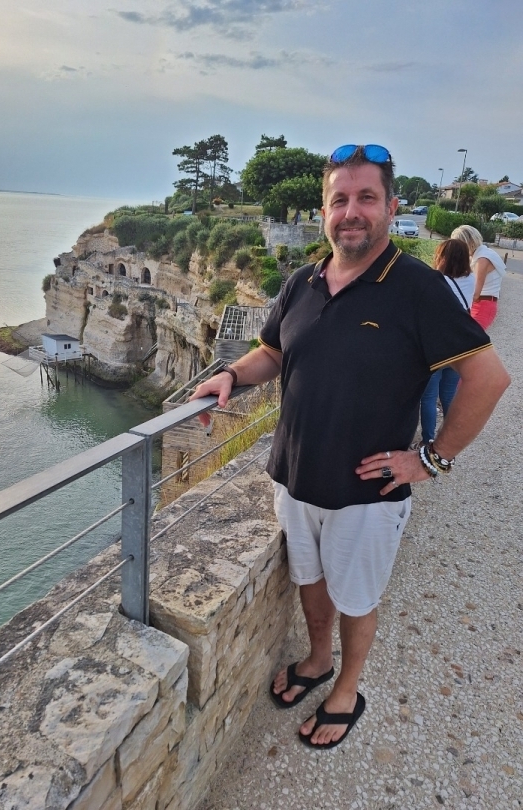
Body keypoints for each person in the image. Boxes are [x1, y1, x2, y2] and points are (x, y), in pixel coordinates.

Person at [190, 144, 510, 750]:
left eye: (367, 197)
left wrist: (431, 459)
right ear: (324, 212)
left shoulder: (419, 288)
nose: (351, 211)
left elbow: (489, 379)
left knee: (357, 599)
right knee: (311, 581)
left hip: (367, 492)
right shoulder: (303, 281)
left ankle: (347, 689)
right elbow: (273, 353)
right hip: (294, 476)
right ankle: (317, 660)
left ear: (391, 207)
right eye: (340, 200)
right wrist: (230, 374)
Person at [419, 238, 476, 442]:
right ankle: (452, 438)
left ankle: (428, 441)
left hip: (436, 347)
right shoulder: (471, 278)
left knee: (428, 397)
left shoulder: (435, 281)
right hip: (460, 346)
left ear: (442, 257)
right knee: (449, 393)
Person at [451, 224, 506, 330]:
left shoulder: (482, 259)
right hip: (479, 304)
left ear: (467, 243)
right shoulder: (481, 254)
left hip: (483, 305)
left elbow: (475, 293)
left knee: (469, 337)